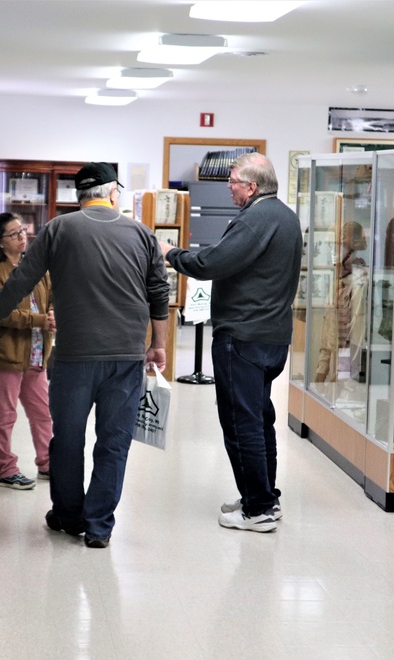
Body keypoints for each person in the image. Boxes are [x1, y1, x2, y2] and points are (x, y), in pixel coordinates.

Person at [0, 162, 169, 548]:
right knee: (113, 441)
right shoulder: (142, 234)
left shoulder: (58, 229)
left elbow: (20, 280)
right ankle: (99, 526)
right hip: (126, 358)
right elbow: (158, 292)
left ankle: (67, 515)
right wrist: (157, 344)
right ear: (114, 193)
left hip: (73, 358)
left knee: (66, 438)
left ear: (79, 196)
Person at [160, 153, 303, 534]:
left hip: (243, 336)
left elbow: (212, 264)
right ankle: (264, 497)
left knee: (242, 424)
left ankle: (257, 509)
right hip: (272, 337)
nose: (229, 187)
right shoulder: (286, 217)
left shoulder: (256, 219)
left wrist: (170, 254)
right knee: (260, 419)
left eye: (234, 181)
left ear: (252, 186)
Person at [0, 212, 55, 490]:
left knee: (42, 412)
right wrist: (39, 320)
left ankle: (47, 463)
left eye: (22, 230)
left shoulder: (36, 266)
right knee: (4, 416)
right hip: (7, 355)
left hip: (36, 353)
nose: (22, 236)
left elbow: (51, 299)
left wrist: (53, 314)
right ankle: (5, 469)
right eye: (14, 233)